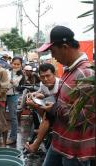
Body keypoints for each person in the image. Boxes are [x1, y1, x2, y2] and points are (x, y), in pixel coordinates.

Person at [38, 25, 95, 166]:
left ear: (64, 46)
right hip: (59, 142)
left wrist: (53, 109)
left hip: (74, 152)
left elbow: (82, 117)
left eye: (53, 51)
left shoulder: (85, 74)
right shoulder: (69, 70)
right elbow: (63, 102)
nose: (52, 56)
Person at [24, 63, 60, 153]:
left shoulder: (60, 85)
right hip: (47, 114)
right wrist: (34, 94)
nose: (45, 79)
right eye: (42, 76)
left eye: (48, 76)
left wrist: (36, 104)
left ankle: (36, 142)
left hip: (58, 115)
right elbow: (41, 93)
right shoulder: (42, 84)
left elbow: (54, 108)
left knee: (46, 116)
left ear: (54, 74)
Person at [6, 57, 25, 145]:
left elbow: (18, 87)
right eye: (14, 64)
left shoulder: (21, 75)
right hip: (3, 95)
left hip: (13, 96)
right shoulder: (6, 72)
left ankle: (13, 137)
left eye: (18, 64)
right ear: (11, 63)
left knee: (13, 117)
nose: (16, 66)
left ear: (21, 65)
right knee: (0, 115)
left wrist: (12, 82)